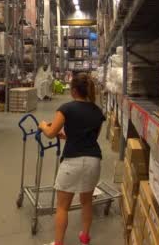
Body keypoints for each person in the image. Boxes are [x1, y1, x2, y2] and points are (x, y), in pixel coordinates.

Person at [39, 73, 105, 245]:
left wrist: (43, 126)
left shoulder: (66, 108)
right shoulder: (98, 112)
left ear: (74, 90)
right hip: (93, 161)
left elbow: (50, 133)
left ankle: (59, 243)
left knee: (62, 206)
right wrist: (69, 136)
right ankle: (85, 237)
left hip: (72, 162)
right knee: (86, 201)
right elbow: (91, 138)